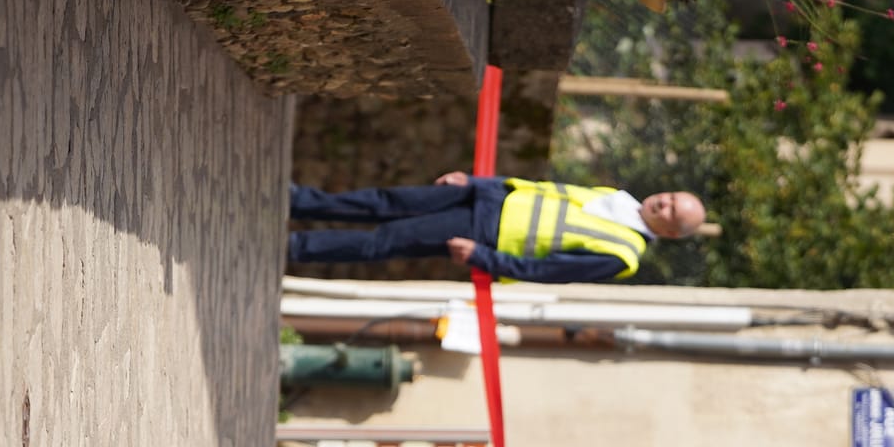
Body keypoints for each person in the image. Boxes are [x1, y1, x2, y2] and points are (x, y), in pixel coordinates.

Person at [288, 172, 706, 285]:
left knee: (384, 241)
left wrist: (482, 257)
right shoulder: (621, 198)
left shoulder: (622, 255)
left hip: (484, 231)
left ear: (669, 233)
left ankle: (298, 247)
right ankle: (302, 201)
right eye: (669, 198)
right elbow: (542, 189)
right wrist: (475, 182)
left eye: (671, 212)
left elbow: (546, 271)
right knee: (386, 201)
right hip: (486, 198)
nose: (663, 202)